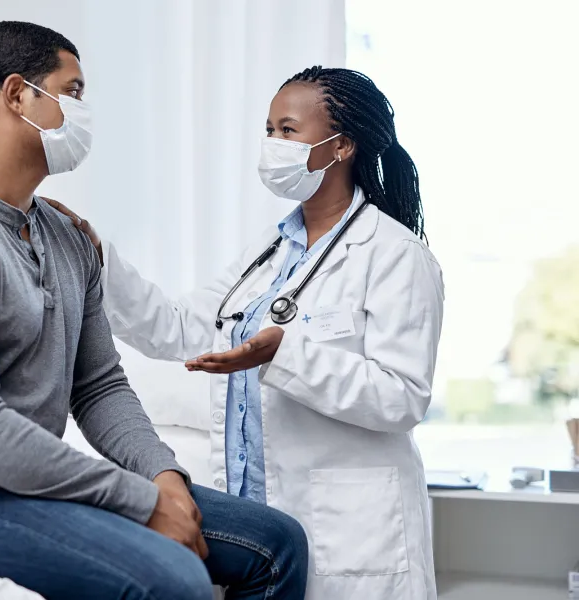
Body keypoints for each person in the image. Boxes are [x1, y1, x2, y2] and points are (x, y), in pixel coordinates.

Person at [0, 21, 309, 600]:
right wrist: (142, 503)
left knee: (277, 542)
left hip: (20, 483)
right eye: (73, 92)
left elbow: (97, 385)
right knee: (173, 579)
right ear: (17, 95)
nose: (83, 110)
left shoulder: (66, 238)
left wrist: (164, 477)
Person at [48, 66, 444, 599]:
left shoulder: (395, 254)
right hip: (262, 525)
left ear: (342, 145)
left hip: (350, 535)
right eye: (269, 131)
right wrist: (99, 258)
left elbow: (402, 397)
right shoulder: (269, 252)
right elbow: (180, 327)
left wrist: (285, 354)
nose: (273, 145)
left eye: (288, 130)